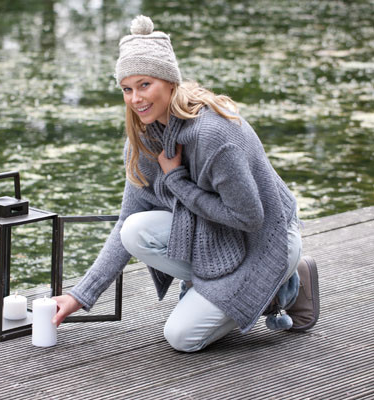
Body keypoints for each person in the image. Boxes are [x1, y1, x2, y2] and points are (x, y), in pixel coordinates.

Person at [52, 15, 320, 352]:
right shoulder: (144, 135)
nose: (135, 98)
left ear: (169, 81)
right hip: (216, 238)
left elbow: (250, 218)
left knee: (182, 338)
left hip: (267, 238)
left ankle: (286, 280)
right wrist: (81, 295)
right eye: (127, 88)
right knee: (135, 230)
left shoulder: (213, 134)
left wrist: (178, 181)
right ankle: (221, 285)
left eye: (144, 84)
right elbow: (126, 219)